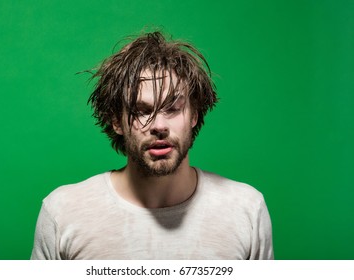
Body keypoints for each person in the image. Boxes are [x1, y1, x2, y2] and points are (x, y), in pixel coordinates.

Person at [30, 31, 274, 260]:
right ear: (116, 120)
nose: (159, 125)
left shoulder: (246, 209)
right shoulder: (63, 212)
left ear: (194, 115)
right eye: (141, 110)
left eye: (173, 108)